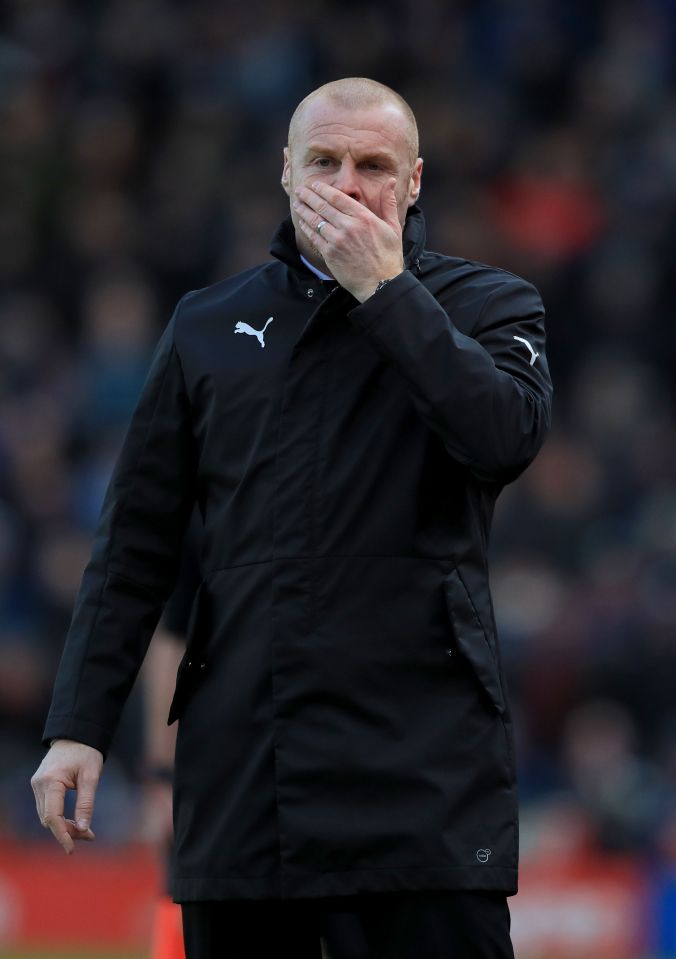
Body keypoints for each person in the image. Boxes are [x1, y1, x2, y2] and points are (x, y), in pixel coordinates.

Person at [31, 77, 552, 959]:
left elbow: (502, 439)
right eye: (324, 162)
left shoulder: (493, 305)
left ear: (415, 181)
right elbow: (135, 543)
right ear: (285, 172)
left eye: (373, 165)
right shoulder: (207, 324)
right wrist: (79, 723)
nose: (347, 185)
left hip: (423, 769)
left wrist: (386, 291)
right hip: (245, 769)